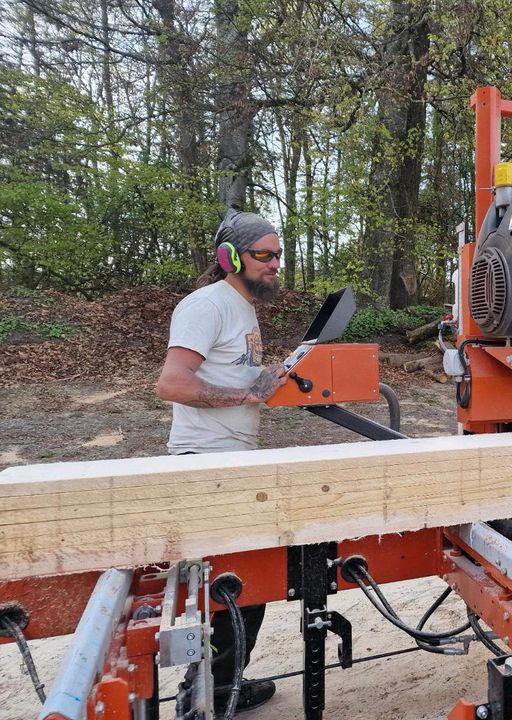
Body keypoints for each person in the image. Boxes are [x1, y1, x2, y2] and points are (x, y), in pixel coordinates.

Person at [156, 209, 287, 715]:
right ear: (230, 258)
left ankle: (220, 684)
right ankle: (202, 701)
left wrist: (264, 381)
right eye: (263, 255)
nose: (274, 263)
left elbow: (236, 379)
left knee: (244, 587)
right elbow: (173, 383)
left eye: (277, 254)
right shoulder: (206, 305)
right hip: (206, 464)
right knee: (237, 587)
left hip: (231, 461)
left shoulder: (243, 306)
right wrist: (247, 395)